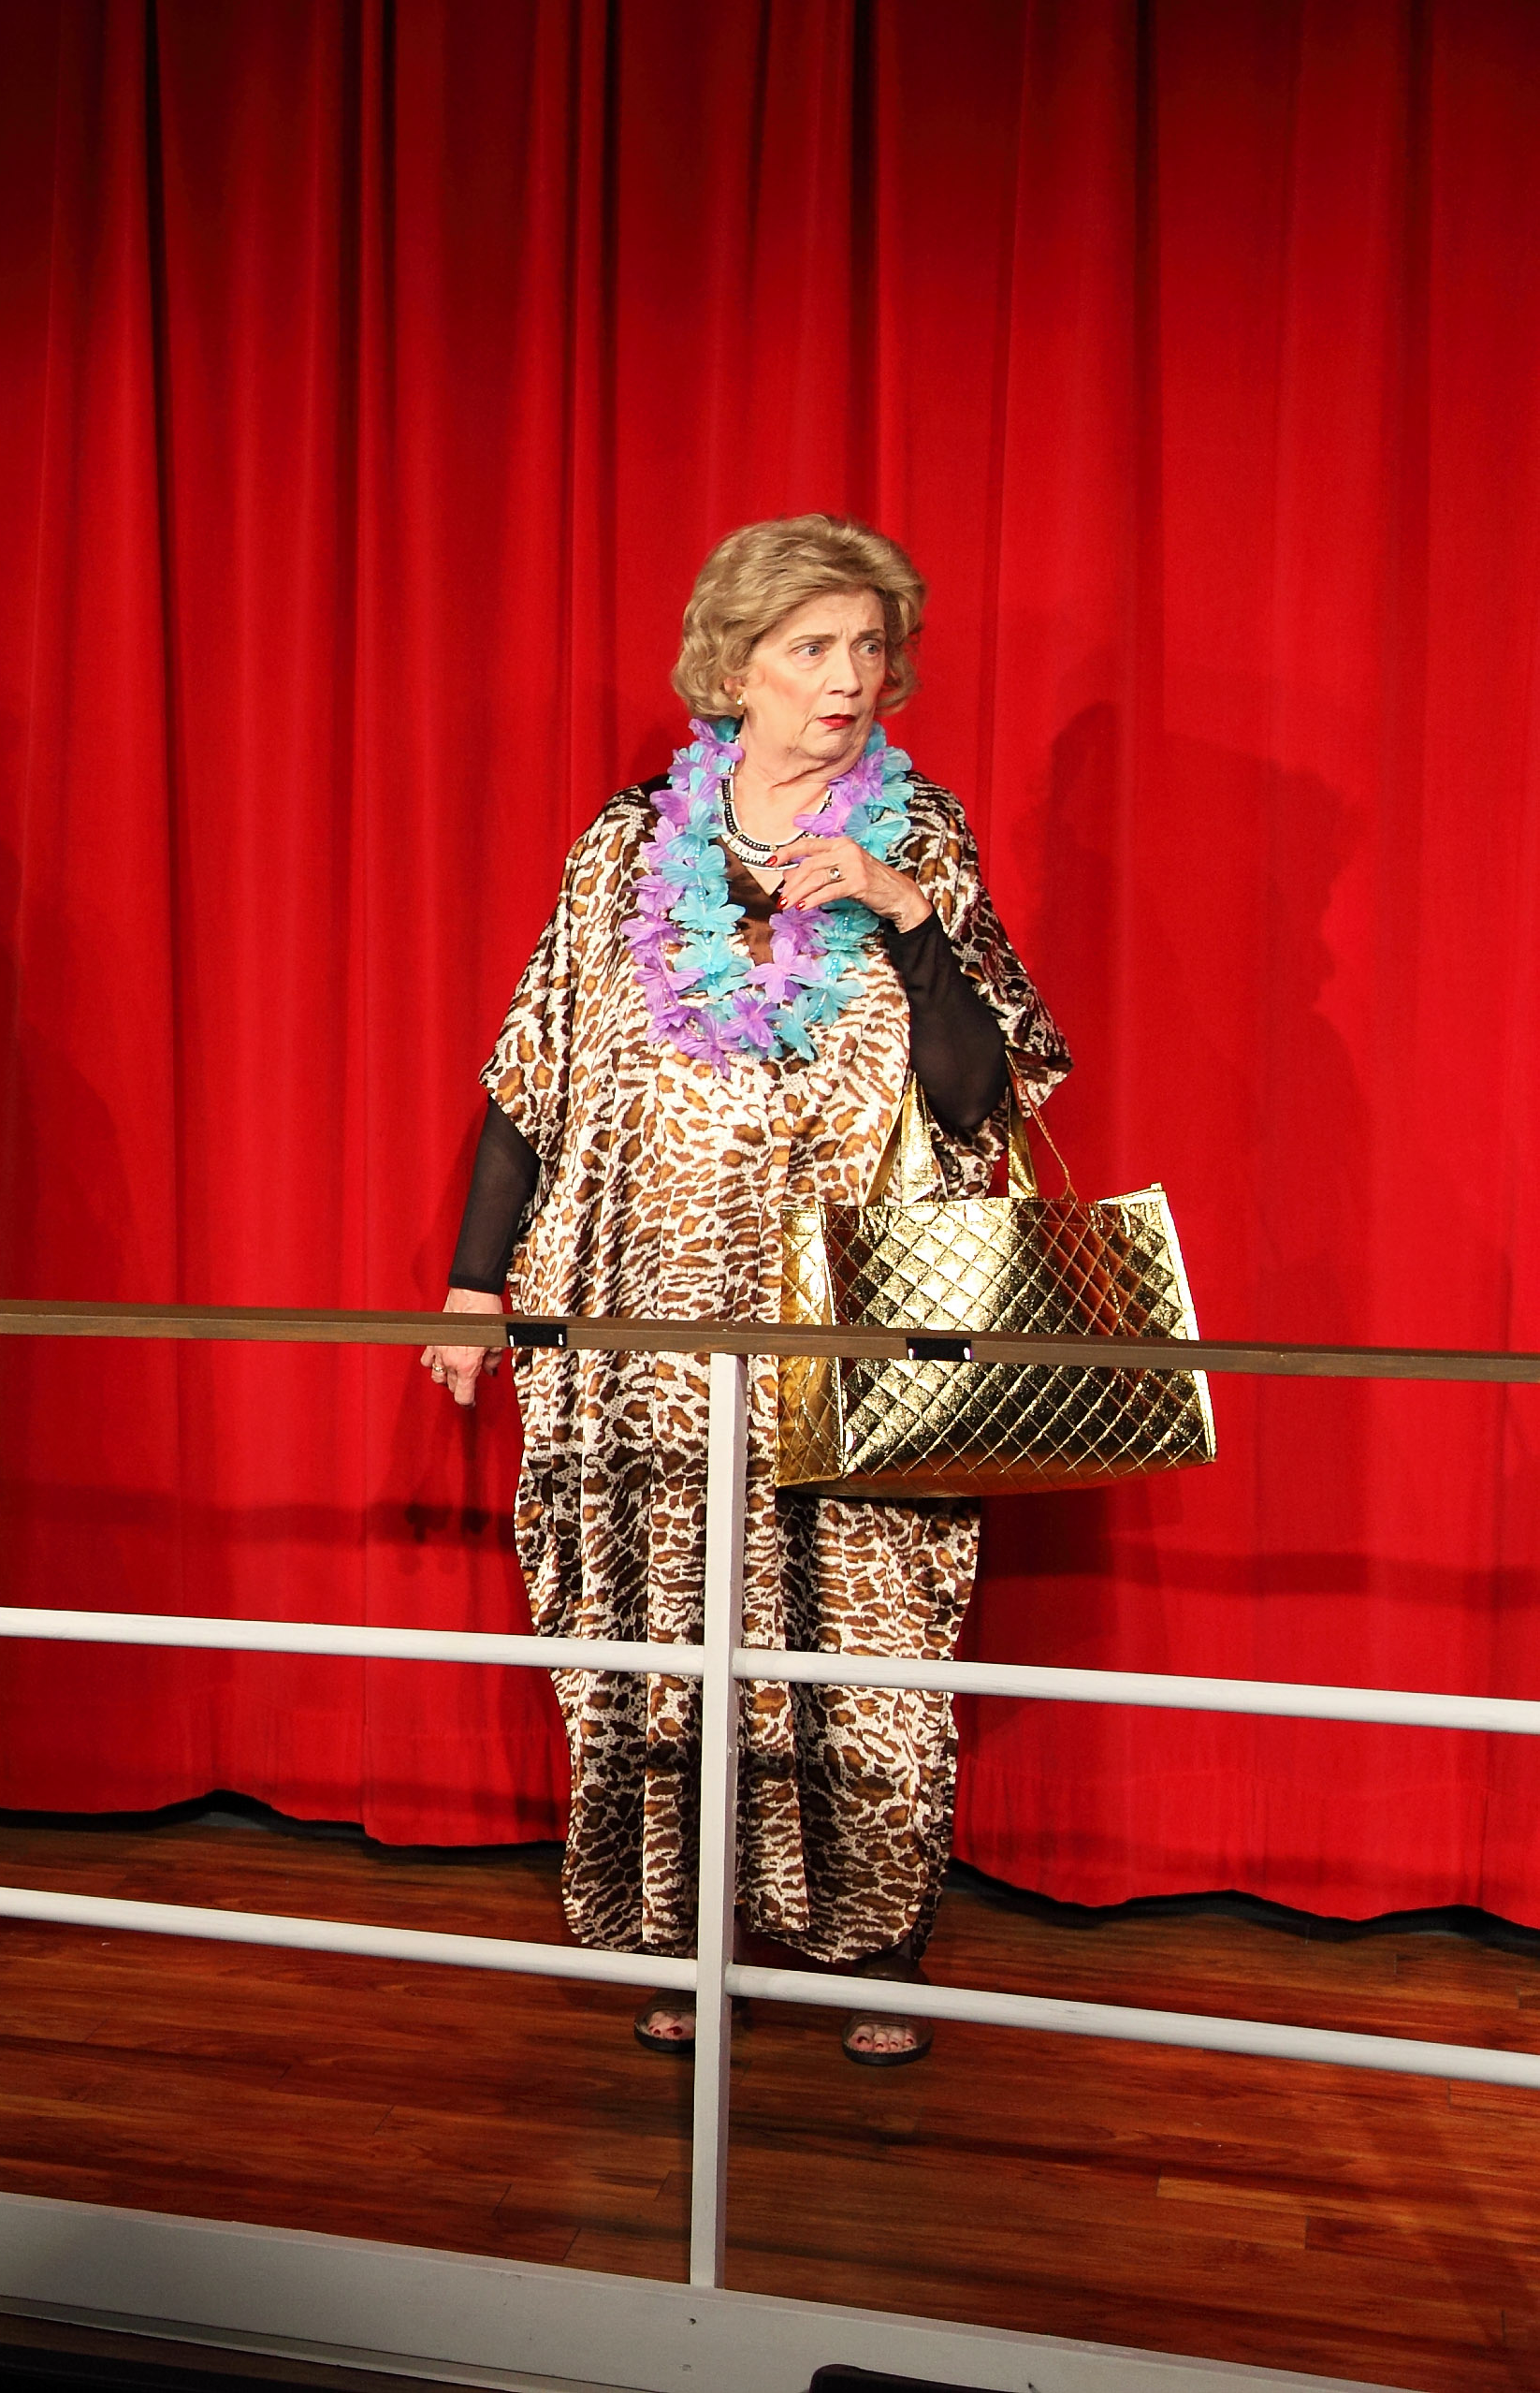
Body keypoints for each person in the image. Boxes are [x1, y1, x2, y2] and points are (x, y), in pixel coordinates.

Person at [425, 515, 1068, 2065]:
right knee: (655, 1621)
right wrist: (469, 1286)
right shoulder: (623, 846)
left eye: (868, 648)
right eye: (811, 647)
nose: (848, 677)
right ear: (732, 668)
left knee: (868, 1638)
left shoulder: (924, 838)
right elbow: (531, 1074)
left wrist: (904, 915)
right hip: (638, 1316)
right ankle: (681, 1937)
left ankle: (877, 1946)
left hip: (851, 1324)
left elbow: (984, 1094)